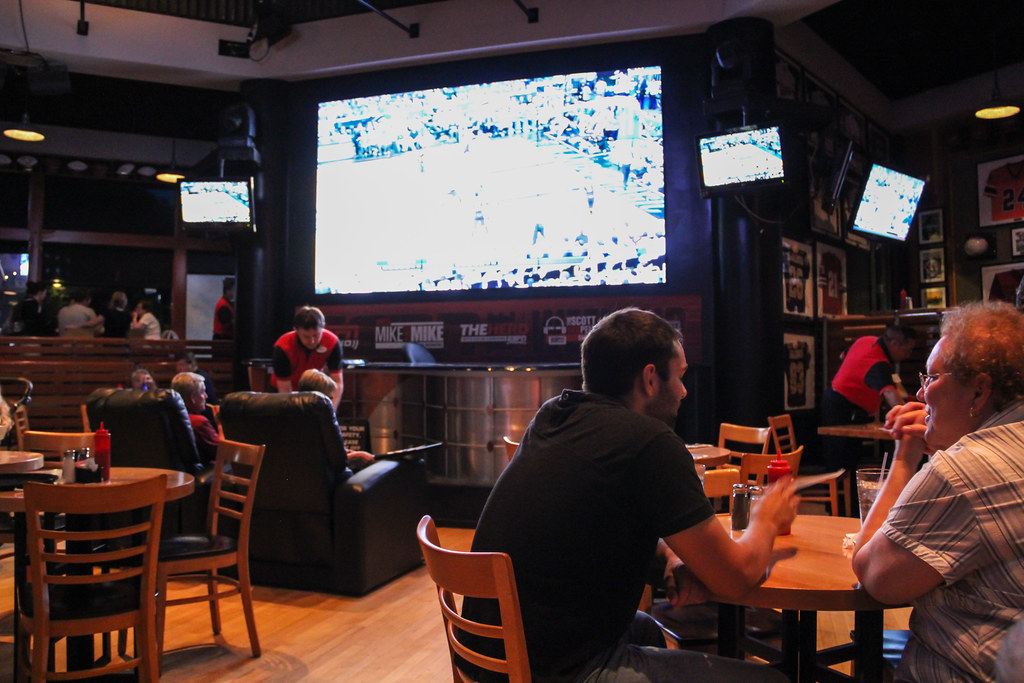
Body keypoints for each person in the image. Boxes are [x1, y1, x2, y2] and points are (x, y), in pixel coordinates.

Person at [464, 308, 796, 683]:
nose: (684, 391)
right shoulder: (649, 442)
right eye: (680, 376)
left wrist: (669, 557)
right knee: (773, 681)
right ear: (650, 379)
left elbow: (585, 531)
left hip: (488, 656)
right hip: (552, 672)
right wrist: (767, 517)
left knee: (646, 630)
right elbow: (735, 578)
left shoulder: (553, 416)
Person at [852, 301, 1024, 683]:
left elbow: (873, 576)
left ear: (978, 392)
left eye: (931, 378)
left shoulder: (962, 472)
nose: (920, 392)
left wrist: (905, 456)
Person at [820, 325, 918, 472]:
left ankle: (845, 486)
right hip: (842, 409)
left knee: (848, 460)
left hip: (835, 400)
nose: (907, 355)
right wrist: (909, 419)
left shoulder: (866, 340)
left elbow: (843, 355)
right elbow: (890, 394)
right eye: (907, 350)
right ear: (895, 344)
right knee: (841, 464)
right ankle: (840, 487)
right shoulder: (878, 363)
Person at [296, 369, 374, 470]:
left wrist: (345, 452)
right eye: (329, 397)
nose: (332, 401)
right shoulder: (322, 422)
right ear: (319, 397)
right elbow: (335, 461)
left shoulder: (293, 418)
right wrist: (358, 456)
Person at [272, 306, 343, 411]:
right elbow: (285, 391)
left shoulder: (332, 342)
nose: (312, 341)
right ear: (296, 331)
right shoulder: (283, 347)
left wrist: (331, 410)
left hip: (315, 391)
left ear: (323, 328)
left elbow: (337, 382)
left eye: (316, 335)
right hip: (283, 390)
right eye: (306, 336)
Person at [171, 371, 219, 465]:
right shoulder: (198, 422)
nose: (206, 396)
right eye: (203, 392)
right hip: (203, 470)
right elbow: (223, 451)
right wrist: (220, 423)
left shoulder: (170, 417)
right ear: (192, 397)